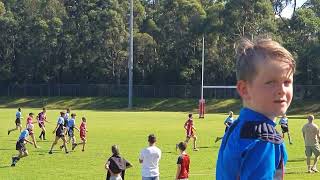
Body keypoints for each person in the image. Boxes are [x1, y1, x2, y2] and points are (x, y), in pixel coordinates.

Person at [216, 38, 296, 179]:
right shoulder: (264, 139)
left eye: (287, 82)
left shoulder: (236, 127)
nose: (282, 90)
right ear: (244, 89)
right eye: (271, 82)